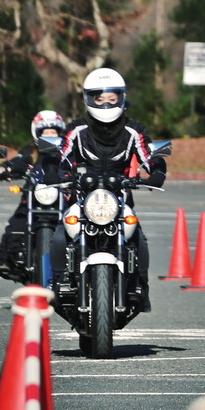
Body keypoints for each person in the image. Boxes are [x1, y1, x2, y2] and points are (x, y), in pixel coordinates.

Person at [54, 67, 165, 312]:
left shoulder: (133, 130)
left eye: (112, 98)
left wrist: (156, 170)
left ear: (122, 98)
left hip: (120, 198)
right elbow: (61, 154)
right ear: (89, 98)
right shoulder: (76, 129)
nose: (106, 103)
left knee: (138, 239)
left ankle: (139, 286)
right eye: (99, 98)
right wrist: (59, 172)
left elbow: (147, 154)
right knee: (60, 234)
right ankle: (59, 282)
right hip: (83, 198)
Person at [0, 109, 71, 281]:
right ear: (37, 133)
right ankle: (9, 260)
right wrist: (5, 169)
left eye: (54, 132)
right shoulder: (31, 151)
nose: (49, 135)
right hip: (34, 198)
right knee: (16, 223)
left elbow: (78, 165)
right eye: (45, 132)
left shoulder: (67, 153)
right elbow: (17, 161)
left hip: (61, 197)